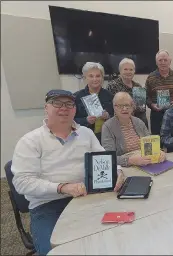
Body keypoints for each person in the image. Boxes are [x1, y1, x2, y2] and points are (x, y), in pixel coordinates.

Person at [11, 90, 124, 255]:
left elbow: (104, 159)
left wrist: (118, 172)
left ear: (75, 109)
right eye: (57, 103)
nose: (64, 108)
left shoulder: (86, 133)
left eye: (69, 104)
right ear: (46, 108)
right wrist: (62, 187)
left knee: (116, 238)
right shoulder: (30, 141)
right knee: (57, 251)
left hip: (88, 198)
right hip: (48, 206)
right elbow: (22, 183)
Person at [102, 92, 166, 166]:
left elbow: (151, 145)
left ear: (132, 107)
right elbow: (108, 158)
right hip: (126, 167)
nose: (124, 109)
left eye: (127, 105)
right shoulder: (107, 127)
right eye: (120, 106)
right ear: (114, 107)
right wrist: (130, 161)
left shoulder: (139, 122)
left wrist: (160, 152)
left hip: (147, 163)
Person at [145, 50, 173, 136]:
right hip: (157, 115)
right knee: (158, 142)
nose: (163, 62)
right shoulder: (151, 77)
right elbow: (146, 96)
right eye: (160, 60)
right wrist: (152, 105)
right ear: (156, 62)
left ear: (170, 61)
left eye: (165, 60)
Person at [74, 62, 114, 142]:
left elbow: (116, 116)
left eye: (98, 76)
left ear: (102, 78)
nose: (95, 79)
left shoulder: (109, 95)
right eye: (91, 76)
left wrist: (108, 116)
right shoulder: (76, 97)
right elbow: (71, 120)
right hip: (84, 137)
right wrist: (86, 120)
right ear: (85, 78)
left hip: (106, 136)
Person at [106, 58, 148, 128]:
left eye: (131, 69)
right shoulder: (112, 86)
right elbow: (110, 107)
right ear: (120, 71)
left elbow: (142, 109)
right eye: (125, 69)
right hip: (120, 124)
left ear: (134, 71)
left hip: (138, 124)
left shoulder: (138, 86)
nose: (128, 72)